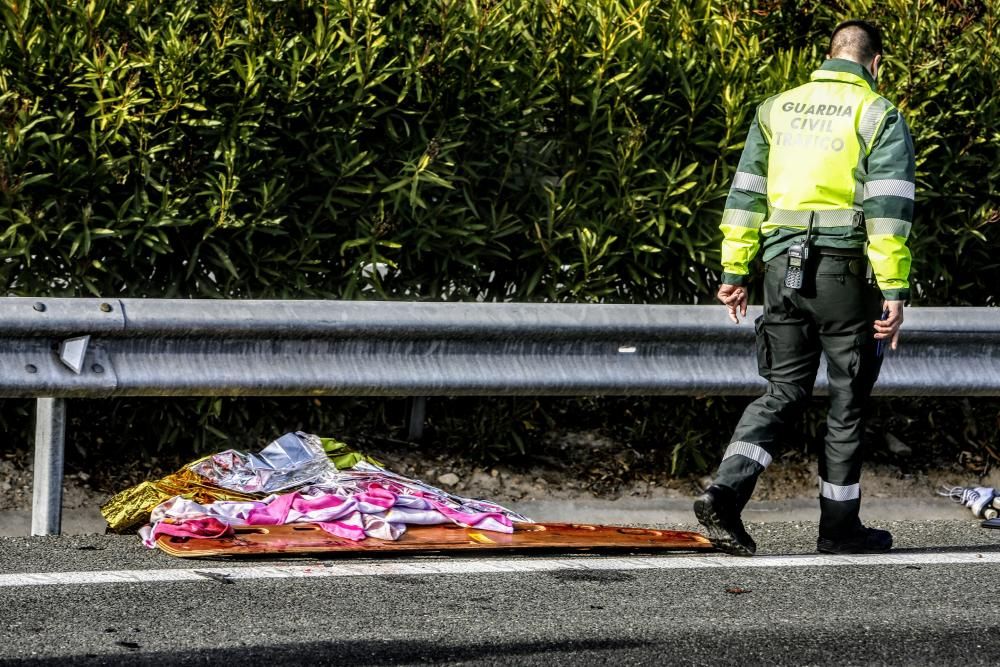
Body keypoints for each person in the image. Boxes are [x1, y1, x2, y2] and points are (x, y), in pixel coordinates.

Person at [694, 20, 915, 556]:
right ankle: (838, 529)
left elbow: (744, 193)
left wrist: (733, 273)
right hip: (844, 275)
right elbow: (888, 208)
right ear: (875, 62)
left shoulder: (777, 108)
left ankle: (725, 492)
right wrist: (894, 288)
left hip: (780, 272)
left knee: (782, 391)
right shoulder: (877, 112)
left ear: (830, 54)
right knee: (846, 402)